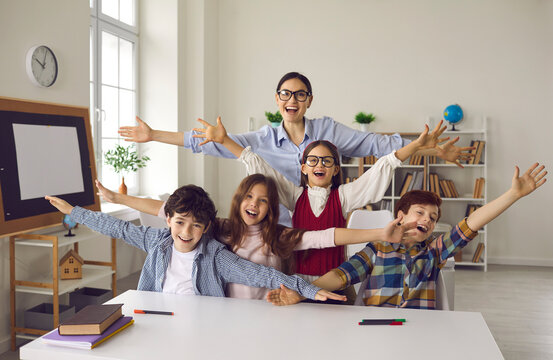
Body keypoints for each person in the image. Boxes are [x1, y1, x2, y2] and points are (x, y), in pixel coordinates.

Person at [118, 72, 474, 225]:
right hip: (278, 224)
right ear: (278, 100)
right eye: (286, 94)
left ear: (308, 101)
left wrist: (429, 150)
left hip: (323, 219)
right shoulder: (261, 140)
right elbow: (209, 144)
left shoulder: (328, 132)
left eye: (300, 94)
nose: (292, 99)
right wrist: (154, 136)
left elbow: (379, 147)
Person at [193, 116, 450, 283]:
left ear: (336, 169)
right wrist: (225, 140)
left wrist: (415, 147)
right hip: (296, 280)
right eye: (313, 160)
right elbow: (257, 162)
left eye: (327, 161)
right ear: (303, 167)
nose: (320, 165)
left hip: (336, 280)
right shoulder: (295, 196)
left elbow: (384, 166)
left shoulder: (343, 196)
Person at [265, 163, 547, 309]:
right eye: (420, 212)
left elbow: (470, 224)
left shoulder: (434, 252)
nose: (427, 220)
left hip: (419, 328)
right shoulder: (377, 249)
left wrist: (513, 195)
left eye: (433, 218)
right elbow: (341, 275)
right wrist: (304, 294)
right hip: (376, 327)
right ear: (399, 216)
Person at [93, 177, 416, 301]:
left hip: (269, 313)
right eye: (249, 196)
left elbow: (326, 237)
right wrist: (119, 200)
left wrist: (378, 232)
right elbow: (168, 209)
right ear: (239, 199)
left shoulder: (280, 237)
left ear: (270, 207)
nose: (254, 204)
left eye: (262, 200)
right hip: (226, 313)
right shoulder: (220, 228)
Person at [44, 185, 345, 302]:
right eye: (180, 222)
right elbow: (117, 227)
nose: (186, 232)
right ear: (168, 220)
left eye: (196, 225)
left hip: (201, 323)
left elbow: (263, 275)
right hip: (154, 315)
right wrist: (74, 212)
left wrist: (309, 288)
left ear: (206, 228)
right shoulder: (156, 241)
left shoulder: (216, 257)